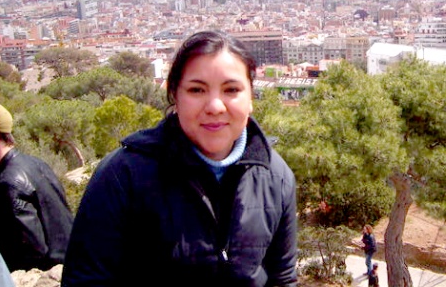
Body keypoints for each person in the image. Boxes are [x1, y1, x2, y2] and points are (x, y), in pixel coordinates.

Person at [62, 30, 298, 286]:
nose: (215, 106)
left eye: (231, 89)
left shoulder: (275, 176)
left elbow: (282, 278)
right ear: (175, 95)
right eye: (197, 90)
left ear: (251, 97)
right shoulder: (123, 176)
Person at [0, 103, 73, 272]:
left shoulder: (9, 183)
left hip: (47, 275)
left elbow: (32, 252)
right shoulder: (36, 163)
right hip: (71, 264)